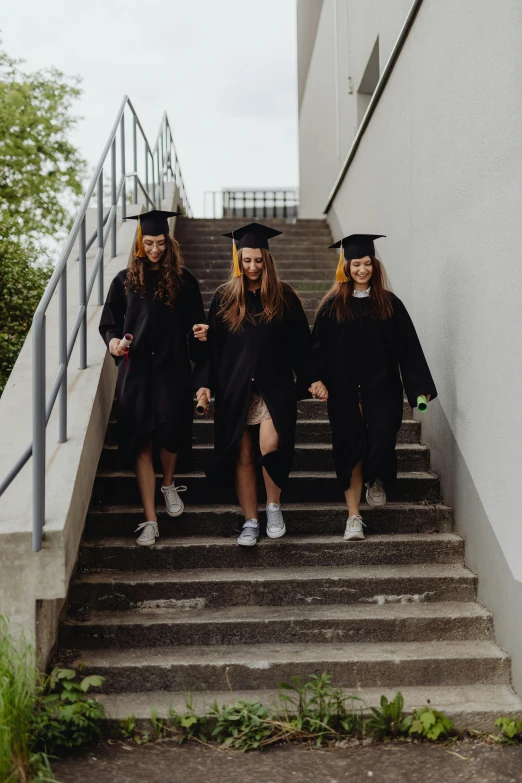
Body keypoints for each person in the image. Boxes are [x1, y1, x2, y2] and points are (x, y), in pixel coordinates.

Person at [194, 222, 327, 547]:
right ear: (238, 260)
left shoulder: (284, 296)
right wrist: (204, 385)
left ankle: (273, 506)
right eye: (246, 260)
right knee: (242, 456)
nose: (252, 267)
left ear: (267, 260)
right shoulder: (225, 297)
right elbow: (211, 350)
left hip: (274, 386)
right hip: (235, 388)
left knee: (270, 445)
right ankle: (251, 520)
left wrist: (312, 378)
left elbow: (302, 344)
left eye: (258, 261)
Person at [312, 234, 437, 541]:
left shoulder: (390, 304)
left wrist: (419, 392)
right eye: (357, 264)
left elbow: (409, 350)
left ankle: (376, 477)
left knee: (381, 438)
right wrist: (315, 379)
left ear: (374, 265)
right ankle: (353, 516)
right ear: (346, 266)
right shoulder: (332, 307)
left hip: (382, 388)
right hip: (343, 390)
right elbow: (316, 349)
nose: (363, 269)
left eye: (368, 263)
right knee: (349, 448)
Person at [99, 209, 208, 547]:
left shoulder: (184, 279)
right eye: (149, 243)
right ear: (139, 242)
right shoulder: (124, 280)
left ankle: (168, 483)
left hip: (173, 370)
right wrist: (114, 342)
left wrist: (202, 334)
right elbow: (110, 324)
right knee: (141, 441)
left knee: (172, 435)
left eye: (161, 243)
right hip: (135, 373)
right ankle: (150, 519)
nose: (155, 249)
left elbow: (196, 324)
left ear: (169, 242)